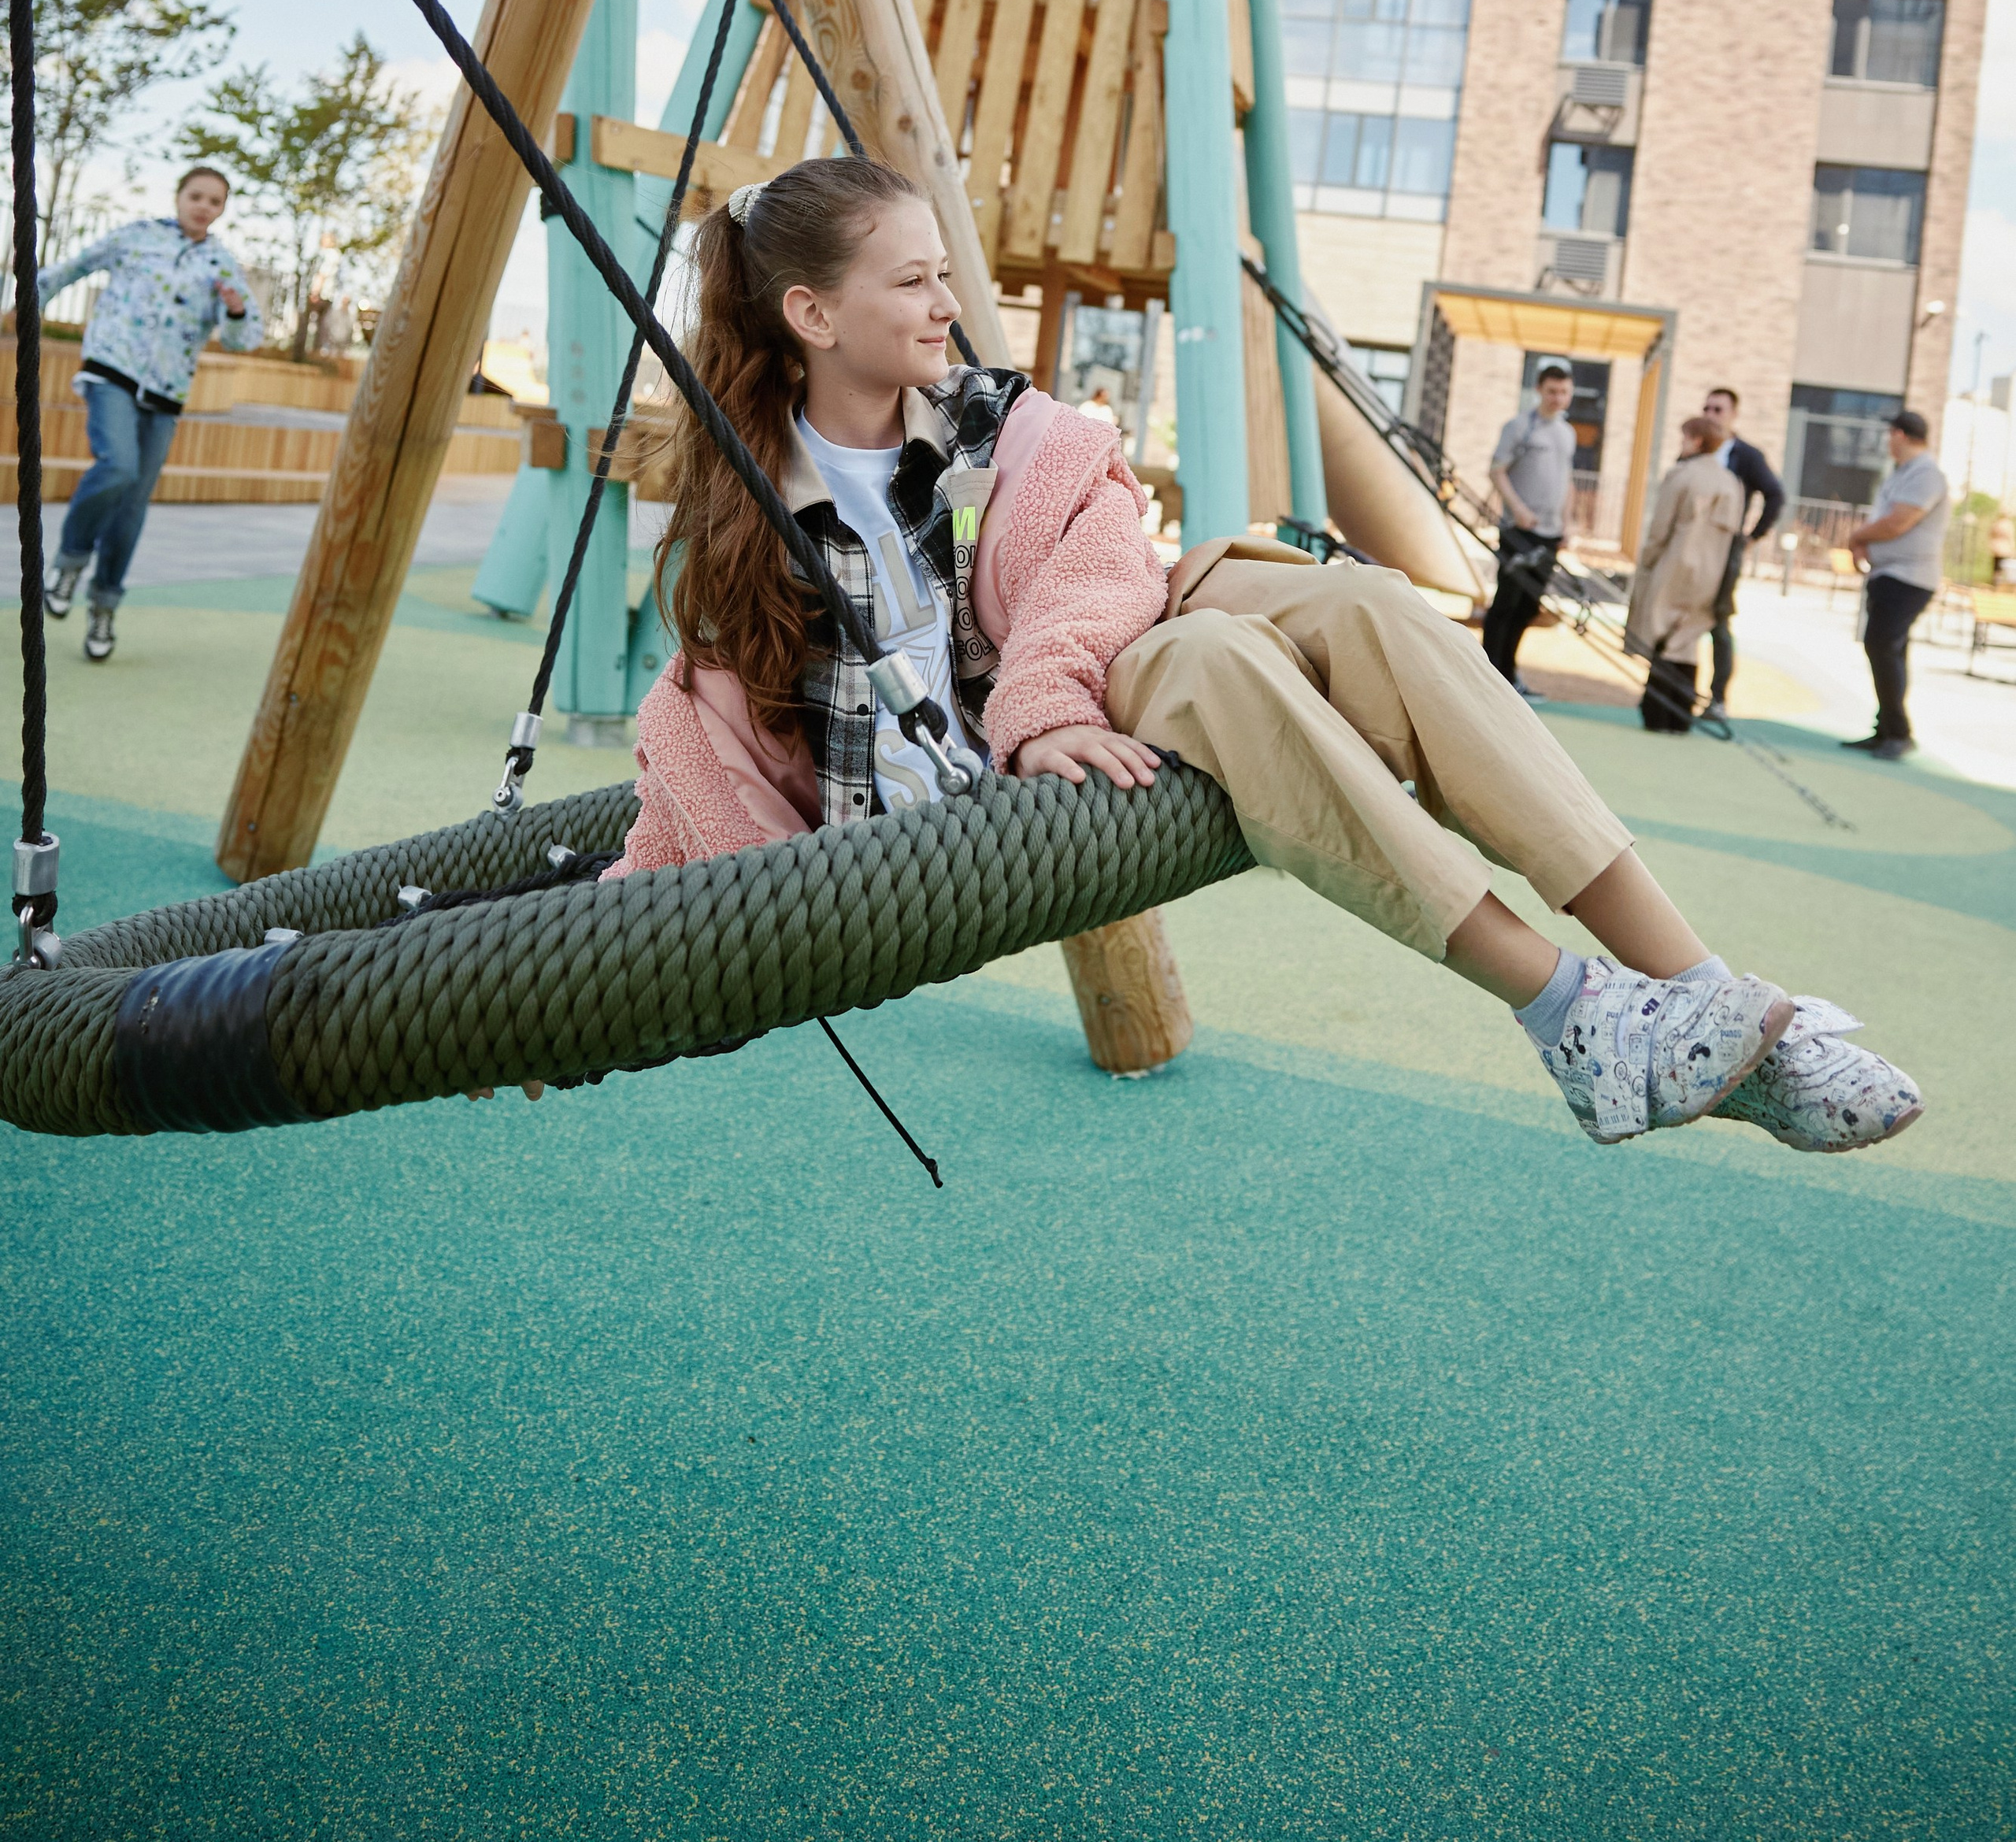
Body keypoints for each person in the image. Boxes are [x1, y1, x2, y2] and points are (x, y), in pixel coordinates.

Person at [598, 155, 1921, 1156]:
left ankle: (1699, 993)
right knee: (1225, 665)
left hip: (1074, 692)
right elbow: (700, 753)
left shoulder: (992, 422)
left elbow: (1106, 546)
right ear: (813, 315)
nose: (952, 304)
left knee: (1367, 606)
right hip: (960, 803)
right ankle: (1568, 1005)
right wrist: (594, 971)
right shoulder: (745, 509)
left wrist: (1048, 697)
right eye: (915, 281)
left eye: (949, 272)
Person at [36, 168, 261, 661]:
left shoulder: (221, 264)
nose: (203, 206)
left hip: (165, 392)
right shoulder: (137, 237)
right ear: (179, 196)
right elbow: (76, 266)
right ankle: (70, 561)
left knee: (133, 505)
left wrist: (237, 309)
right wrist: (32, 298)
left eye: (215, 201)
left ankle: (104, 607)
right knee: (117, 466)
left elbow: (245, 339)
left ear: (222, 209)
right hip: (112, 368)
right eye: (196, 196)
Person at [1626, 415, 1747, 731]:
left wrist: (1648, 562)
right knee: (1688, 639)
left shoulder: (1682, 475)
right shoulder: (1731, 483)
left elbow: (1660, 528)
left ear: (1695, 441)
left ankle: (1656, 711)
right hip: (1713, 573)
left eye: (1684, 438)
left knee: (1664, 635)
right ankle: (1680, 716)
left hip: (1676, 564)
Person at [1842, 410, 1950, 760]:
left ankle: (1899, 733)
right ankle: (1886, 728)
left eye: (1890, 434)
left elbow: (1898, 523)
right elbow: (1885, 523)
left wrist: (1857, 536)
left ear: (1900, 435)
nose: (1887, 441)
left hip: (1909, 578)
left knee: (1882, 645)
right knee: (1889, 651)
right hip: (1888, 574)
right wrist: (1863, 543)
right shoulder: (1902, 474)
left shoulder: (1927, 474)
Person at [1481, 360, 1577, 691]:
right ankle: (1489, 674)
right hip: (1519, 530)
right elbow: (1497, 471)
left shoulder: (1567, 433)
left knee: (1528, 606)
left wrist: (1566, 525)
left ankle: (1508, 673)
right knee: (1505, 603)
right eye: (1552, 391)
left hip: (1550, 533)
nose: (1557, 398)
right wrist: (1518, 509)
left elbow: (1567, 481)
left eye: (1564, 392)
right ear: (1539, 390)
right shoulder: (1519, 427)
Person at [1695, 384, 1784, 714]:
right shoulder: (1695, 450)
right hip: (1691, 546)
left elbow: (1775, 494)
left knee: (1718, 621)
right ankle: (1676, 688)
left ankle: (1717, 698)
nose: (1711, 416)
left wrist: (1752, 536)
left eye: (1718, 410)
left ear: (1733, 415)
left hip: (1724, 549)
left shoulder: (1746, 456)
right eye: (1706, 409)